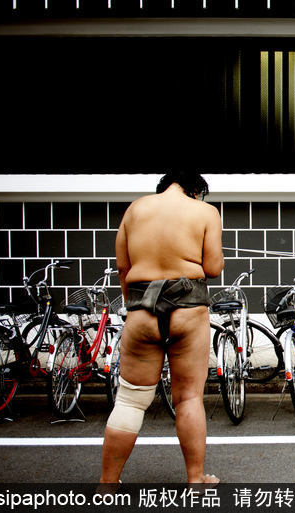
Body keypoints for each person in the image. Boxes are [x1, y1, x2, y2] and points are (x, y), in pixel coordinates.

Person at [100, 170, 224, 484]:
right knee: (189, 398)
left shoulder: (135, 209)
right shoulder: (205, 211)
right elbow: (212, 268)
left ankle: (108, 484)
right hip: (188, 309)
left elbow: (122, 267)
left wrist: (135, 306)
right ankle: (195, 479)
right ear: (196, 191)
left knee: (130, 399)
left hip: (142, 306)